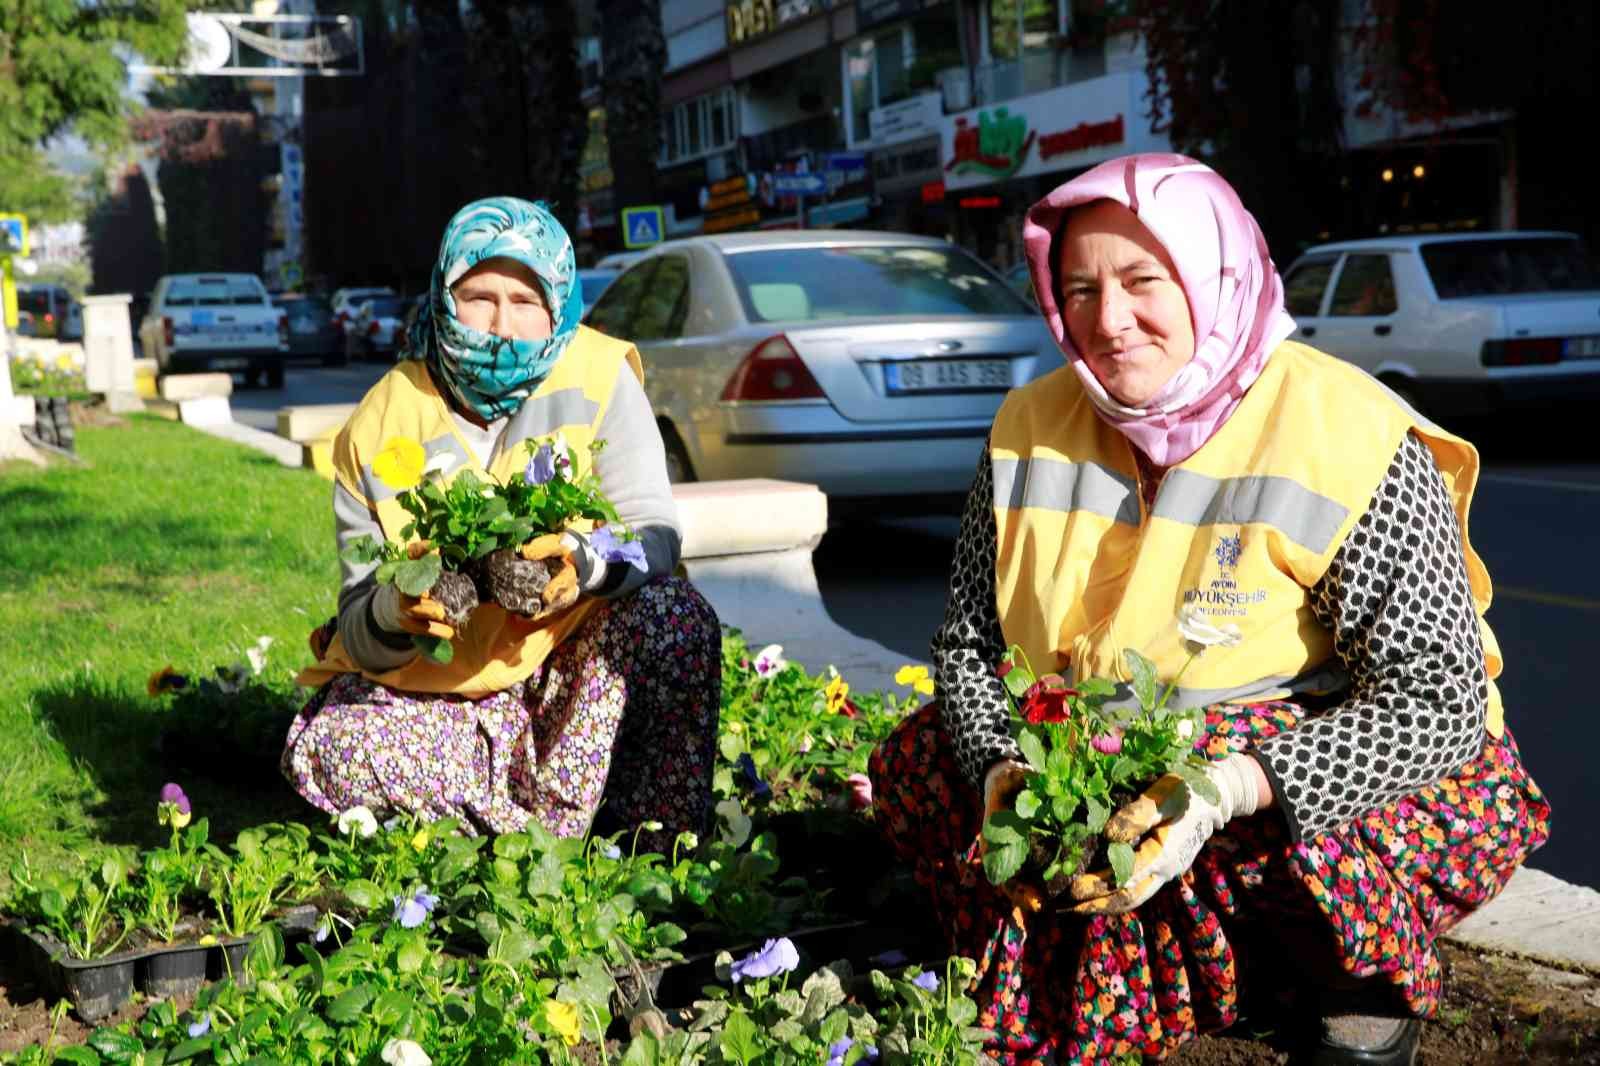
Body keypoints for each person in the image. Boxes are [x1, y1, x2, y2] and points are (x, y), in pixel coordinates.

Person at [868, 155, 1549, 1065]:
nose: (1108, 322)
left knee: (1274, 844)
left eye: (1143, 281)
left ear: (1215, 275)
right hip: (1102, 749)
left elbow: (1438, 702)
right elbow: (967, 643)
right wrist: (1000, 767)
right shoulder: (1027, 423)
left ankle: (1357, 981)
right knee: (923, 760)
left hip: (1325, 765)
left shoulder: (1343, 429)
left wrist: (1225, 787)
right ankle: (1212, 964)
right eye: (1077, 290)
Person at [283, 197, 720, 854]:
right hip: (439, 697)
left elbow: (654, 534)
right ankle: (543, 844)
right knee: (340, 749)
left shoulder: (599, 375)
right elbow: (356, 624)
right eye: (478, 296)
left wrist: (583, 564)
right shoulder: (381, 419)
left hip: (566, 684)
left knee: (675, 617)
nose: (502, 325)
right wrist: (400, 611)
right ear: (441, 296)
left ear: (558, 306)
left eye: (525, 300)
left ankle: (652, 850)